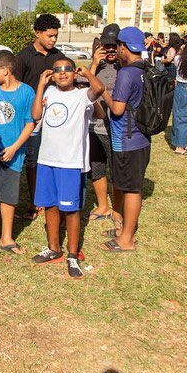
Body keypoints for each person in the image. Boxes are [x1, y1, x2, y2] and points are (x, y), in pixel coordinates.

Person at [30, 58, 105, 277]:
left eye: (68, 70)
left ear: (75, 73)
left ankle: (73, 254)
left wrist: (87, 74)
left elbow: (99, 89)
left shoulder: (82, 95)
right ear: (51, 74)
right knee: (50, 206)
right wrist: (40, 86)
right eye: (57, 70)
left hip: (71, 162)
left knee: (70, 209)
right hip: (47, 159)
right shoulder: (48, 92)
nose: (62, 74)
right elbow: (36, 115)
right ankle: (54, 248)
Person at [0, 49, 36, 255]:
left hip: (14, 154)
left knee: (9, 196)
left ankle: (6, 237)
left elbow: (30, 123)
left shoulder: (27, 92)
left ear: (6, 70)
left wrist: (14, 147)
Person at [100, 27, 151, 253]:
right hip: (142, 138)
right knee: (130, 186)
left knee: (131, 189)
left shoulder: (126, 73)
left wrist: (102, 91)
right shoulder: (145, 69)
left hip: (126, 139)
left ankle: (126, 239)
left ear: (123, 47)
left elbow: (118, 109)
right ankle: (124, 231)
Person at [13, 13, 63, 222]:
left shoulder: (58, 56)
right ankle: (35, 201)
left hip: (56, 118)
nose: (53, 40)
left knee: (53, 158)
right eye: (50, 35)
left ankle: (54, 198)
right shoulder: (23, 57)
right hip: (31, 119)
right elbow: (16, 88)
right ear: (38, 33)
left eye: (55, 36)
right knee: (32, 162)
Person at [87, 24, 122, 222]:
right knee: (97, 167)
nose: (110, 50)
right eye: (107, 45)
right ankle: (103, 206)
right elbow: (83, 86)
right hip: (95, 126)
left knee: (117, 170)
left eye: (114, 46)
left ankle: (117, 210)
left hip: (116, 128)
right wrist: (93, 64)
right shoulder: (96, 66)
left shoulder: (125, 66)